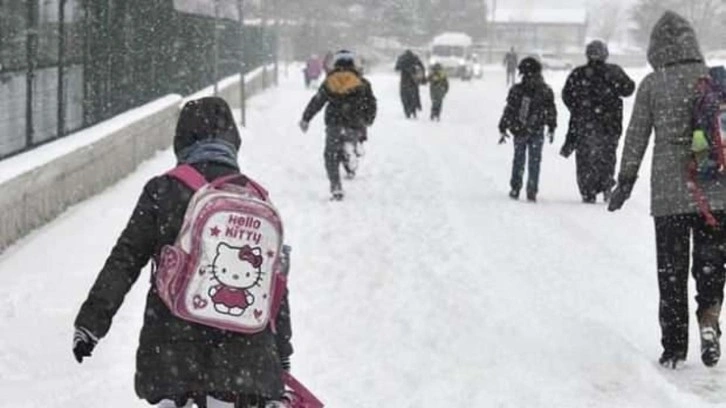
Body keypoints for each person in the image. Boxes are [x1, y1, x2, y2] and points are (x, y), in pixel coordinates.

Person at [72, 97, 293, 407]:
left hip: (173, 353)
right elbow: (274, 284)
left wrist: (91, 323)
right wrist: (281, 354)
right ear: (233, 140)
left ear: (181, 139)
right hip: (246, 360)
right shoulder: (256, 198)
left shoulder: (163, 190)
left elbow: (126, 259)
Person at [608, 11, 726, 369]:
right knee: (711, 266)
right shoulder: (712, 80)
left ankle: (674, 347)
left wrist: (625, 180)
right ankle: (709, 319)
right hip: (715, 191)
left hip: (670, 195)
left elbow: (637, 136)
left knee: (671, 272)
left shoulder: (653, 84)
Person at [561, 40, 635, 203]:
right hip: (610, 124)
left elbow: (566, 95)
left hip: (584, 124)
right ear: (605, 54)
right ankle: (606, 183)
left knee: (585, 158)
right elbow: (629, 89)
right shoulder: (613, 72)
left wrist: (578, 108)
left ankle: (588, 190)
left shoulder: (578, 74)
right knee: (607, 156)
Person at [299, 50, 377, 201]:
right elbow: (371, 104)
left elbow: (317, 101)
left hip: (334, 122)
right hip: (354, 123)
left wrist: (306, 118)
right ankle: (353, 150)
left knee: (330, 155)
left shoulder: (329, 82)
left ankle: (336, 186)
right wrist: (368, 120)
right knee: (352, 140)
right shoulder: (363, 83)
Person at [498, 57, 557, 203]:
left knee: (519, 159)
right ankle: (531, 189)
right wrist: (551, 126)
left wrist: (503, 125)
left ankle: (515, 187)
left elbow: (509, 110)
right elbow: (551, 110)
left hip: (520, 129)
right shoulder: (545, 90)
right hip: (536, 130)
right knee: (534, 161)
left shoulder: (517, 90)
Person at [395, 49, 426, 119]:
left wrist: (404, 68)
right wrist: (422, 78)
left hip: (404, 81)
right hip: (413, 81)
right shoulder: (415, 59)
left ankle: (408, 111)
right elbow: (422, 68)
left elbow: (396, 68)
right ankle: (413, 109)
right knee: (413, 96)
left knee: (405, 97)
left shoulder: (402, 59)